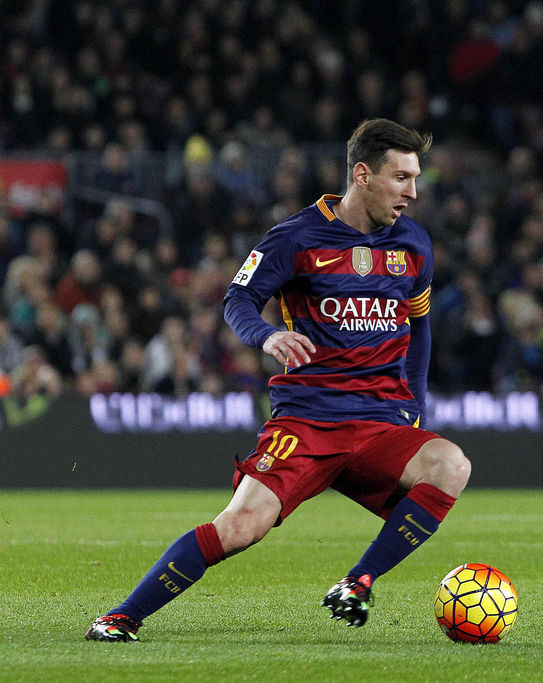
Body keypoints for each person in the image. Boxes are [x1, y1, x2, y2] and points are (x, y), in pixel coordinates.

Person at [86, 119, 471, 642]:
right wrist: (267, 336)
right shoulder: (297, 236)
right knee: (241, 526)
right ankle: (121, 617)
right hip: (309, 421)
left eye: (415, 179)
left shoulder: (414, 244)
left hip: (381, 421)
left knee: (450, 464)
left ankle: (358, 581)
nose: (412, 193)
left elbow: (419, 327)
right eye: (401, 178)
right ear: (362, 175)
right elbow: (238, 299)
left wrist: (415, 407)